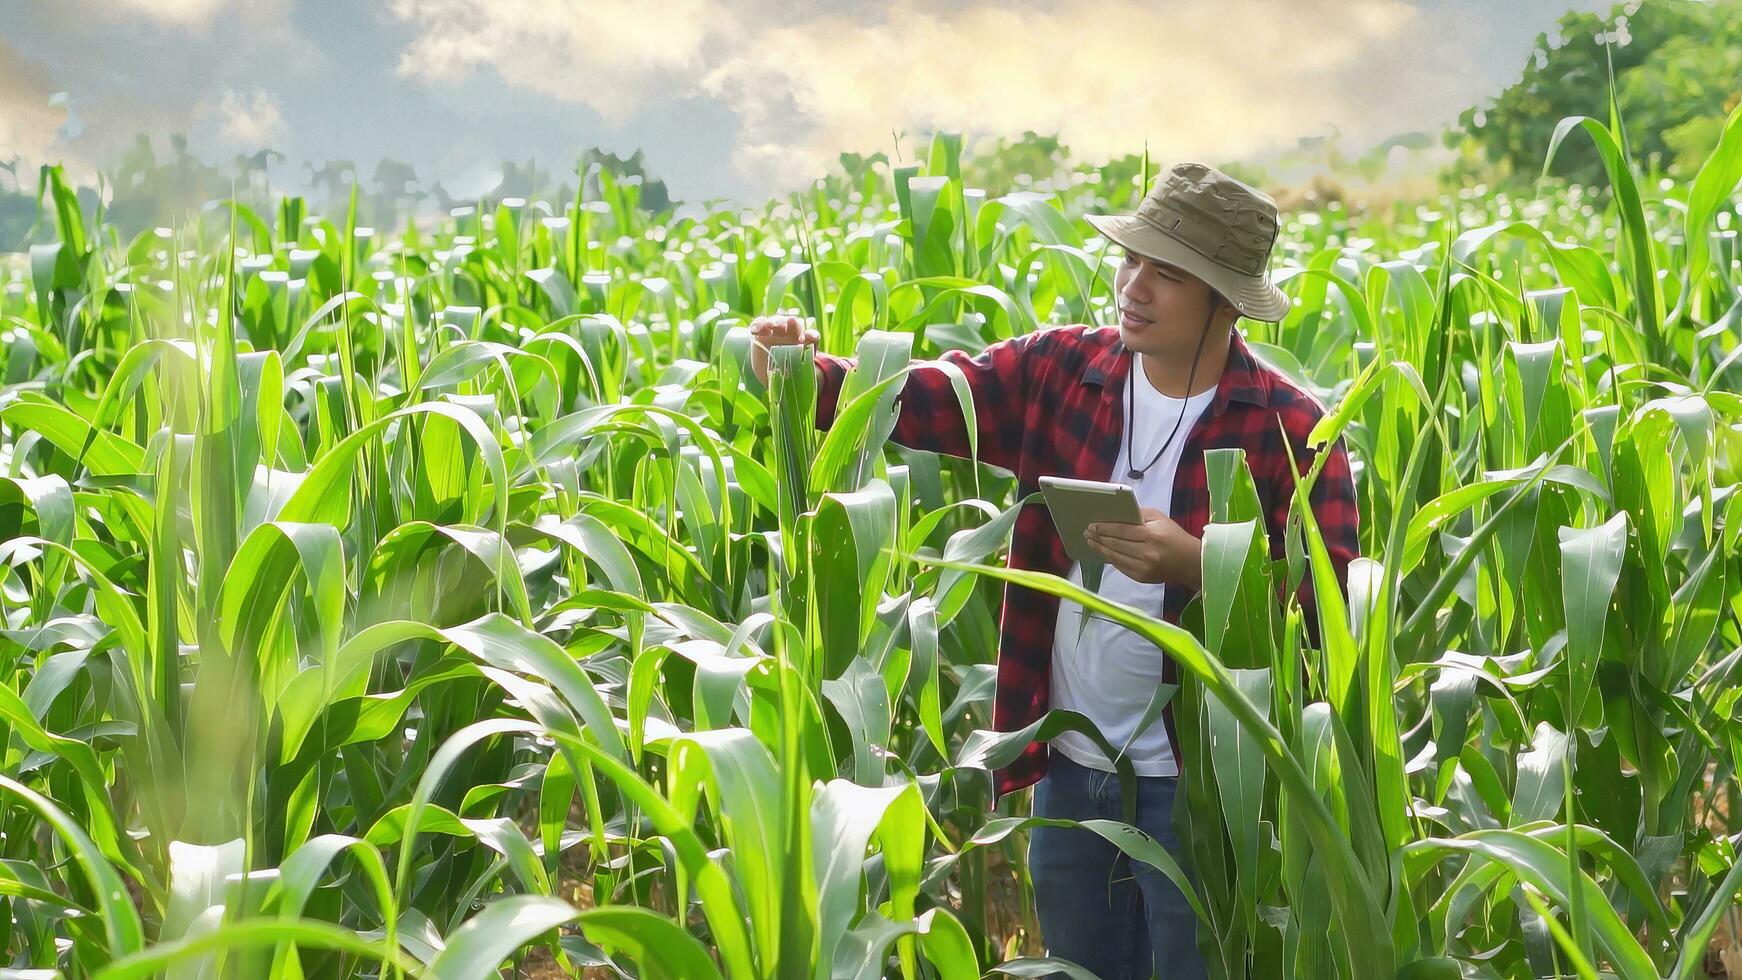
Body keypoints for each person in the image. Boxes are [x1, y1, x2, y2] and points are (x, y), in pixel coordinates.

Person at [749, 161, 1359, 979]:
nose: (1132, 285)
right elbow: (923, 398)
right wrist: (803, 377)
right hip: (1070, 763)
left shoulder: (1291, 428)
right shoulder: (1062, 370)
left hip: (1204, 787)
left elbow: (1336, 608)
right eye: (1131, 259)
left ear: (1223, 301)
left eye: (1166, 273)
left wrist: (1205, 564)